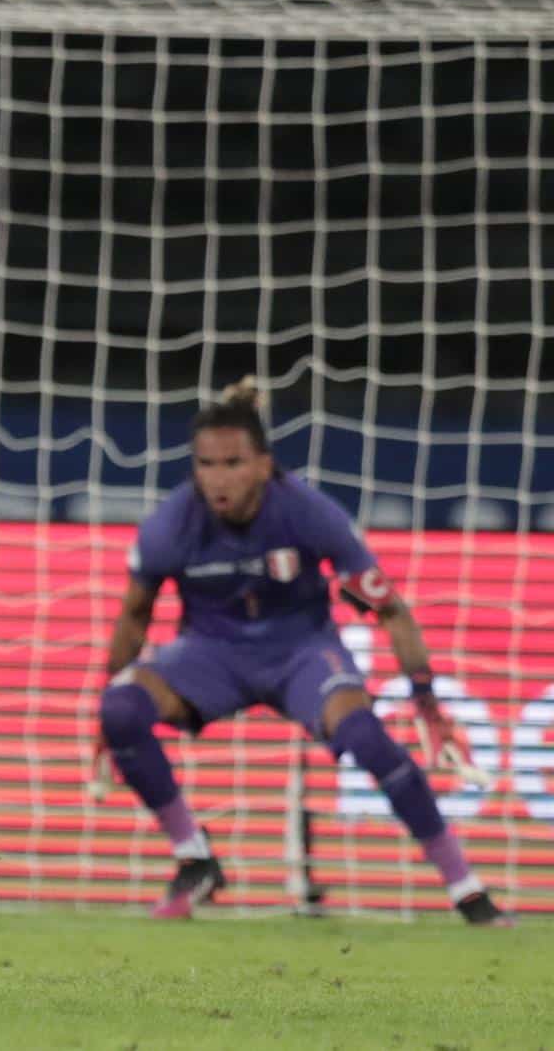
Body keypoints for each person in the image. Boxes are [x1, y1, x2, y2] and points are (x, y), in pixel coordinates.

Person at [98, 377, 509, 925]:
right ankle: (195, 858)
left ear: (264, 464)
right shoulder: (171, 526)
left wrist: (427, 702)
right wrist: (104, 715)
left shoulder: (309, 515)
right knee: (120, 709)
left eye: (232, 463)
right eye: (206, 464)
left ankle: (467, 889)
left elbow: (390, 609)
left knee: (365, 735)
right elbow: (133, 616)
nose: (217, 479)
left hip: (301, 652)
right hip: (211, 656)